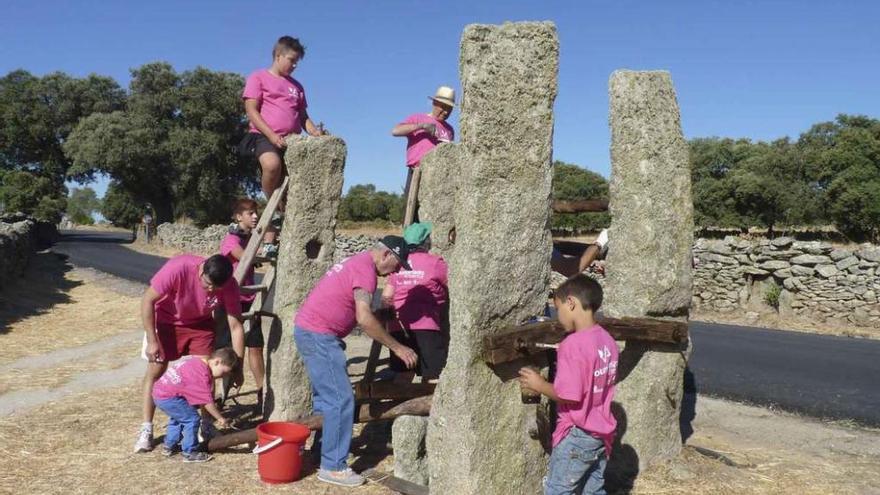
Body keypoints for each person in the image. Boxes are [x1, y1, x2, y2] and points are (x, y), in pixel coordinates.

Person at [293, 236, 418, 487]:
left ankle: (320, 452)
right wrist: (397, 347)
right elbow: (363, 317)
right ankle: (333, 467)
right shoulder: (366, 272)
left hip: (311, 330)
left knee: (326, 399)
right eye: (396, 264)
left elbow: (357, 308)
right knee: (340, 399)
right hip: (320, 335)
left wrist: (378, 315)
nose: (394, 271)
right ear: (386, 255)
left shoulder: (358, 262)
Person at [133, 254, 246, 453]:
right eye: (208, 284)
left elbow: (236, 326)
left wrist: (238, 367)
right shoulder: (179, 267)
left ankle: (206, 425)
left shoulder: (229, 285)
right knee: (156, 371)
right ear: (201, 270)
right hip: (166, 320)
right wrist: (152, 340)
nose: (211, 291)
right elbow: (147, 300)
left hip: (200, 324)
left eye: (216, 288)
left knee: (206, 374)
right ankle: (146, 428)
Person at [518, 274, 619, 495]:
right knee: (593, 490)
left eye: (558, 308)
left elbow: (569, 394)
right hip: (601, 435)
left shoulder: (572, 344)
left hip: (577, 434)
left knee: (557, 490)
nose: (558, 316)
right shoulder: (607, 340)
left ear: (571, 303)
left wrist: (539, 384)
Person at [242, 35, 327, 252]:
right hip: (264, 136)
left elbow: (303, 116)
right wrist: (271, 135)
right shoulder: (258, 77)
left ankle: (276, 233)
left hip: (292, 141)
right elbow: (251, 110)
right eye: (291, 59)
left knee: (298, 189)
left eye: (297, 61)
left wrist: (315, 132)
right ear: (278, 55)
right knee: (271, 165)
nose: (295, 65)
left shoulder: (297, 86)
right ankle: (275, 206)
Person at [381, 222, 449, 382]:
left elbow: (386, 297)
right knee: (433, 375)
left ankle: (397, 405)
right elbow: (453, 286)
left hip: (399, 325)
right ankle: (432, 406)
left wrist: (388, 323)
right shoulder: (435, 262)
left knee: (404, 374)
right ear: (426, 241)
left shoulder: (398, 263)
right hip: (426, 325)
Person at [218, 198, 266, 409]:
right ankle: (220, 397)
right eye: (250, 213)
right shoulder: (231, 240)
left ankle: (262, 392)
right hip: (231, 302)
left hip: (249, 301)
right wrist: (265, 250)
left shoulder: (249, 238)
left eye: (256, 213)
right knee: (229, 352)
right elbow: (245, 257)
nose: (255, 216)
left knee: (255, 348)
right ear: (239, 217)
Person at [151, 348, 238, 462]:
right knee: (192, 419)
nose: (222, 376)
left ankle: (169, 446)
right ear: (217, 361)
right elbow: (207, 402)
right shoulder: (202, 374)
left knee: (179, 417)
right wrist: (220, 418)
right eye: (224, 372)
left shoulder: (196, 362)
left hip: (160, 392)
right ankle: (190, 452)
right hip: (169, 397)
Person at [391, 86, 456, 217]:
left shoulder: (449, 129)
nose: (445, 112)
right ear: (434, 103)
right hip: (418, 171)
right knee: (411, 210)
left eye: (449, 109)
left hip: (438, 175)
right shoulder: (418, 118)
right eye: (443, 107)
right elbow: (395, 131)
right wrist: (421, 126)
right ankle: (409, 236)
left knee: (434, 213)